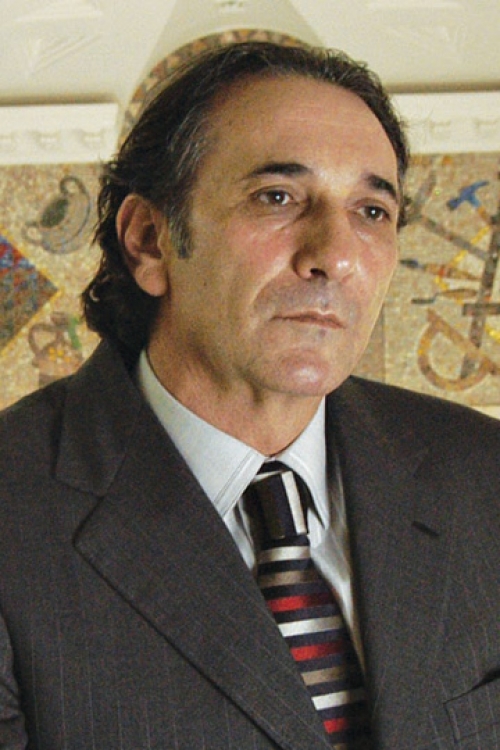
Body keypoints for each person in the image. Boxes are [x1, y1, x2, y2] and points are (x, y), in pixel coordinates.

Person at [0, 41, 499, 750]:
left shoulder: (482, 475)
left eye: (371, 211)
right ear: (149, 240)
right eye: (278, 197)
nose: (336, 255)